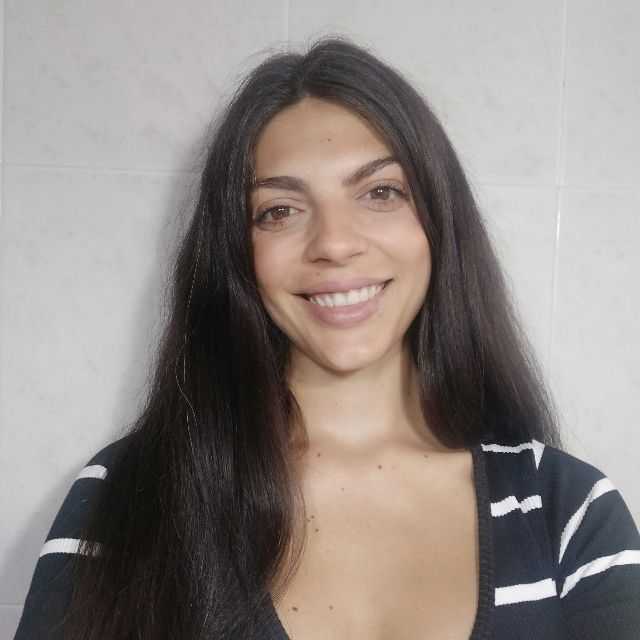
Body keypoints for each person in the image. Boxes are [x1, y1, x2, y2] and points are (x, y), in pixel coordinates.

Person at [14, 36, 640, 640]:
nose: (335, 243)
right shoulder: (124, 500)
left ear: (439, 223)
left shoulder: (567, 512)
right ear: (237, 251)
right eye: (279, 211)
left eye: (381, 192)